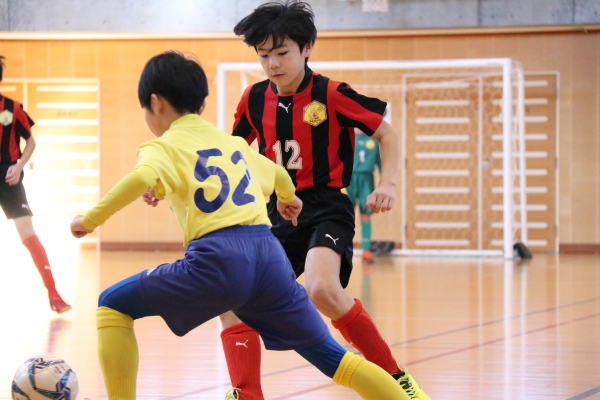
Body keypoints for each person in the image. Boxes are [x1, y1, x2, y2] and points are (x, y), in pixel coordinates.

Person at [70, 51, 411, 400]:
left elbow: (140, 178)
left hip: (219, 257)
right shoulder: (232, 143)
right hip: (269, 255)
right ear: (202, 105)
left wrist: (89, 220)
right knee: (336, 360)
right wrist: (288, 198)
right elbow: (277, 173)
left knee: (111, 304)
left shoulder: (161, 147)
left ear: (155, 103)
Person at [219, 2, 430, 399]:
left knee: (322, 290)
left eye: (281, 53)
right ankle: (246, 394)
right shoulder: (253, 99)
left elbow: (387, 134)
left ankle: (395, 378)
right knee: (234, 298)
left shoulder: (331, 94)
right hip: (277, 212)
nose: (272, 64)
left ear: (306, 48)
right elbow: (233, 152)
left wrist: (388, 183)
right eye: (263, 55)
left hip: (326, 208)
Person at [0, 55, 71, 314]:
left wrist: (19, 166)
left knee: (28, 234)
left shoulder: (11, 108)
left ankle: (54, 295)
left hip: (8, 175)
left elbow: (30, 141)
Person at [347, 129, 382, 261]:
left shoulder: (374, 139)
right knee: (346, 214)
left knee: (366, 213)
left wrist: (385, 184)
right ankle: (343, 248)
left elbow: (380, 163)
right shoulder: (348, 137)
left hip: (366, 179)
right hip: (349, 179)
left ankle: (366, 250)